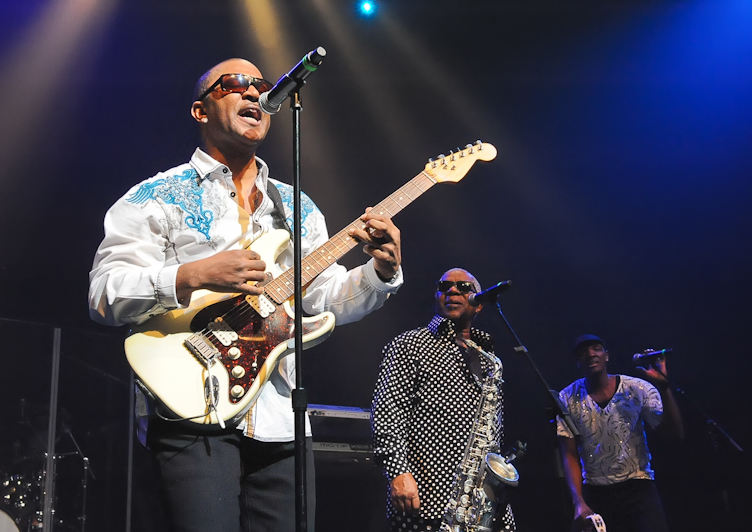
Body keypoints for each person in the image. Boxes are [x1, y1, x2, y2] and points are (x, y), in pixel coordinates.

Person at [88, 58, 403, 532]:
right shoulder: (154, 197)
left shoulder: (296, 206)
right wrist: (192, 274)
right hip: (194, 406)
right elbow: (104, 293)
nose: (256, 92)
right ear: (200, 111)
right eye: (236, 84)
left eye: (262, 85)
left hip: (280, 417)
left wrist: (382, 269)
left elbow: (326, 298)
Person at [371, 268, 515, 532]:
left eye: (463, 286)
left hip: (481, 505)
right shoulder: (410, 344)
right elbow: (386, 413)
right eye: (444, 286)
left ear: (479, 302)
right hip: (427, 499)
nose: (452, 290)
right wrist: (398, 472)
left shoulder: (487, 357)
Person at [556, 335, 684, 532]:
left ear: (607, 356)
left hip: (638, 487)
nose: (591, 354)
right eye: (584, 352)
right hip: (596, 492)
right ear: (577, 362)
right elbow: (570, 454)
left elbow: (674, 433)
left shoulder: (637, 388)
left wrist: (664, 386)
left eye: (596, 348)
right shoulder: (567, 397)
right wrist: (579, 502)